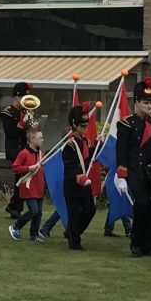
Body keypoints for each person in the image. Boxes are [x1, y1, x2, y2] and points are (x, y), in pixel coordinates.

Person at [114, 77, 151, 257]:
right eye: (146, 102)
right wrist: (122, 175)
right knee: (142, 206)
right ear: (137, 102)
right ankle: (136, 245)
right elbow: (121, 152)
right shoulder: (126, 124)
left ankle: (149, 246)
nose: (149, 106)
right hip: (134, 172)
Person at [62, 103, 100, 250]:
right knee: (74, 215)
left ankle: (71, 231)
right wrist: (79, 178)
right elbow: (70, 166)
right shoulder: (69, 145)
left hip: (85, 184)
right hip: (73, 184)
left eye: (86, 124)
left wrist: (97, 145)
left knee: (90, 210)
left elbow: (88, 157)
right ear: (74, 124)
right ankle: (74, 242)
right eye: (82, 125)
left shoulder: (85, 140)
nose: (85, 127)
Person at [1, 82, 33, 219]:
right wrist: (21, 124)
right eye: (24, 99)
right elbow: (10, 133)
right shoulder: (7, 112)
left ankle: (14, 207)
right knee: (21, 176)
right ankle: (15, 207)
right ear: (17, 97)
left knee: (22, 177)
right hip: (14, 148)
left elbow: (27, 132)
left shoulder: (26, 112)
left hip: (24, 148)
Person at [8, 129, 46, 242]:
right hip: (28, 187)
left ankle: (33, 235)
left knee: (38, 213)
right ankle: (16, 227)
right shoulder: (23, 153)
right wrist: (29, 168)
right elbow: (15, 168)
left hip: (39, 187)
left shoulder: (40, 154)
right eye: (40, 138)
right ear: (32, 139)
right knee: (33, 210)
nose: (42, 140)